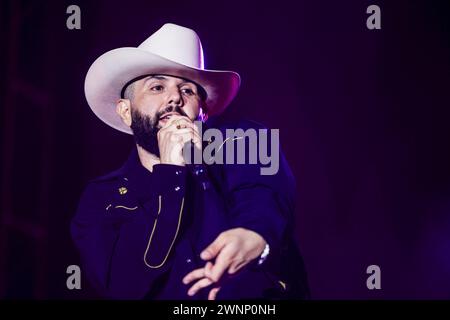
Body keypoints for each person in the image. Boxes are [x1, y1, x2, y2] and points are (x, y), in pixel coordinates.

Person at [71, 23, 309, 300]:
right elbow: (123, 284)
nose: (174, 98)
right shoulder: (101, 198)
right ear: (126, 111)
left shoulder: (242, 141)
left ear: (203, 112)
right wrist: (170, 174)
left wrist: (254, 233)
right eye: (157, 87)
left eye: (187, 90)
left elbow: (263, 193)